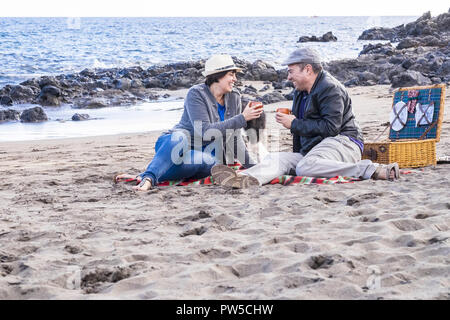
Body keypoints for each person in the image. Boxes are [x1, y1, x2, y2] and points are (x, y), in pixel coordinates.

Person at [211, 48, 400, 188]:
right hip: (315, 147)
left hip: (343, 141)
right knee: (277, 159)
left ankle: (370, 169)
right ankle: (243, 178)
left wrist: (294, 124)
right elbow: (304, 130)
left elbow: (331, 128)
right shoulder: (301, 92)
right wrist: (295, 133)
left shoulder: (330, 89)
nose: (288, 77)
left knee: (305, 166)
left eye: (291, 71)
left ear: (307, 69)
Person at [115, 54, 263, 191]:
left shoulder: (234, 97)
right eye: (231, 74)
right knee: (179, 138)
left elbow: (234, 137)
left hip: (206, 157)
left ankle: (145, 175)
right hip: (174, 145)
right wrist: (242, 118)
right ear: (217, 76)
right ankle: (148, 178)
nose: (235, 79)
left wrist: (254, 168)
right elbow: (204, 131)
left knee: (204, 160)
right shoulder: (196, 94)